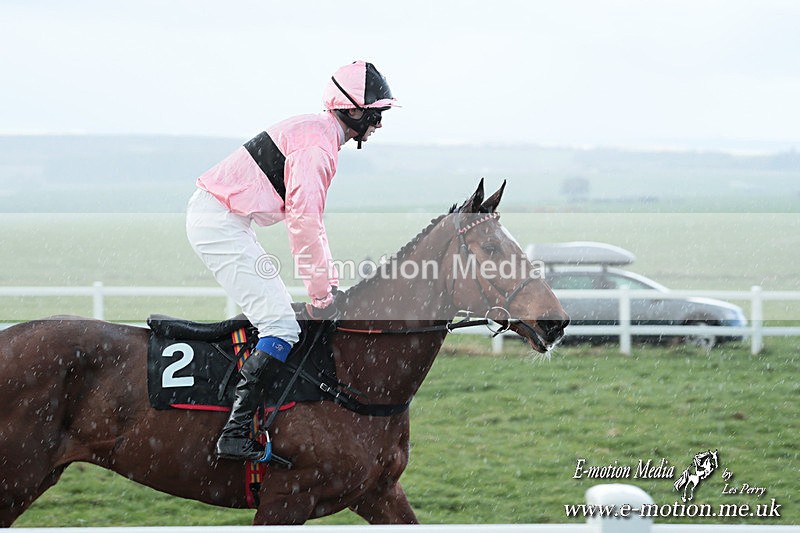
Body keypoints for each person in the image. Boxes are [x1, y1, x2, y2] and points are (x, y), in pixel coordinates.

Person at [185, 60, 398, 461]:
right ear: (353, 110)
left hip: (224, 219)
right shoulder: (317, 148)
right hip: (219, 224)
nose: (379, 123)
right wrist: (322, 295)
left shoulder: (319, 134)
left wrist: (325, 287)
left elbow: (309, 224)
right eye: (377, 113)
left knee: (281, 316)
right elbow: (304, 224)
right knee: (281, 324)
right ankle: (234, 433)